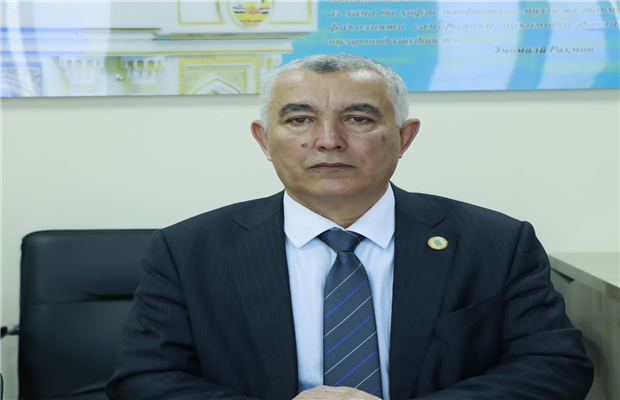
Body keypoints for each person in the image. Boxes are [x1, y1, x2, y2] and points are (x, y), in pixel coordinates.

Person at [106, 54, 593, 399]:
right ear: (264, 140)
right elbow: (145, 378)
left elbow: (553, 366)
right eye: (300, 119)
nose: (328, 140)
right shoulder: (188, 249)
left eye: (358, 118)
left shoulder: (496, 242)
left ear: (404, 138)